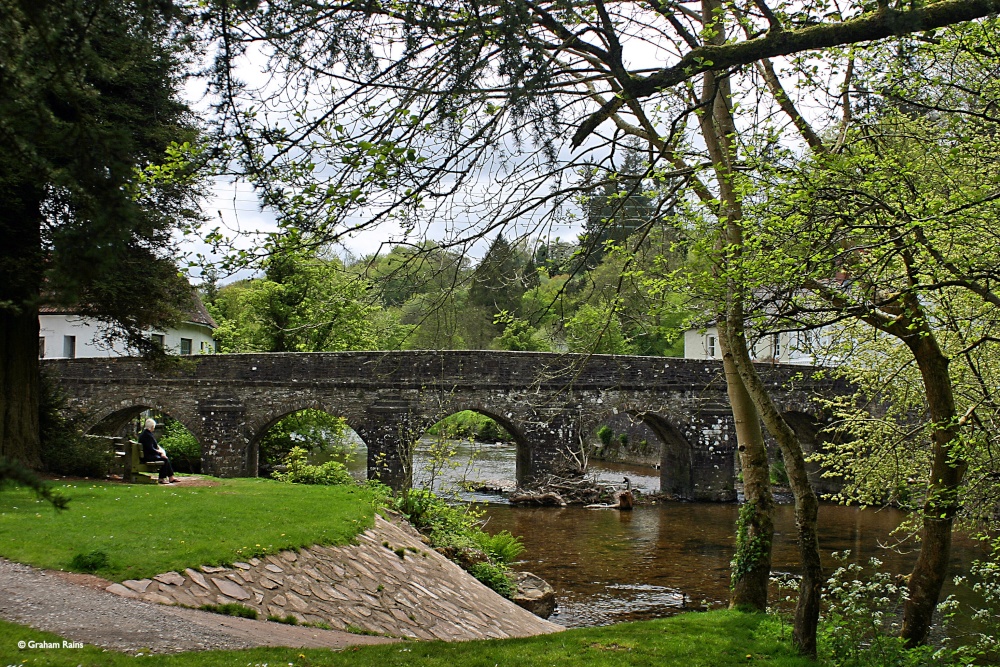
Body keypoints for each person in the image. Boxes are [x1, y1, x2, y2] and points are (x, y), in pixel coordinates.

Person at [138, 418, 178, 484]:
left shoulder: (145, 434)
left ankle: (171, 477)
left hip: (146, 455)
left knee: (165, 459)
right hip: (147, 457)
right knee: (165, 459)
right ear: (152, 427)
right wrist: (159, 453)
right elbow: (150, 449)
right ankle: (162, 478)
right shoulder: (148, 435)